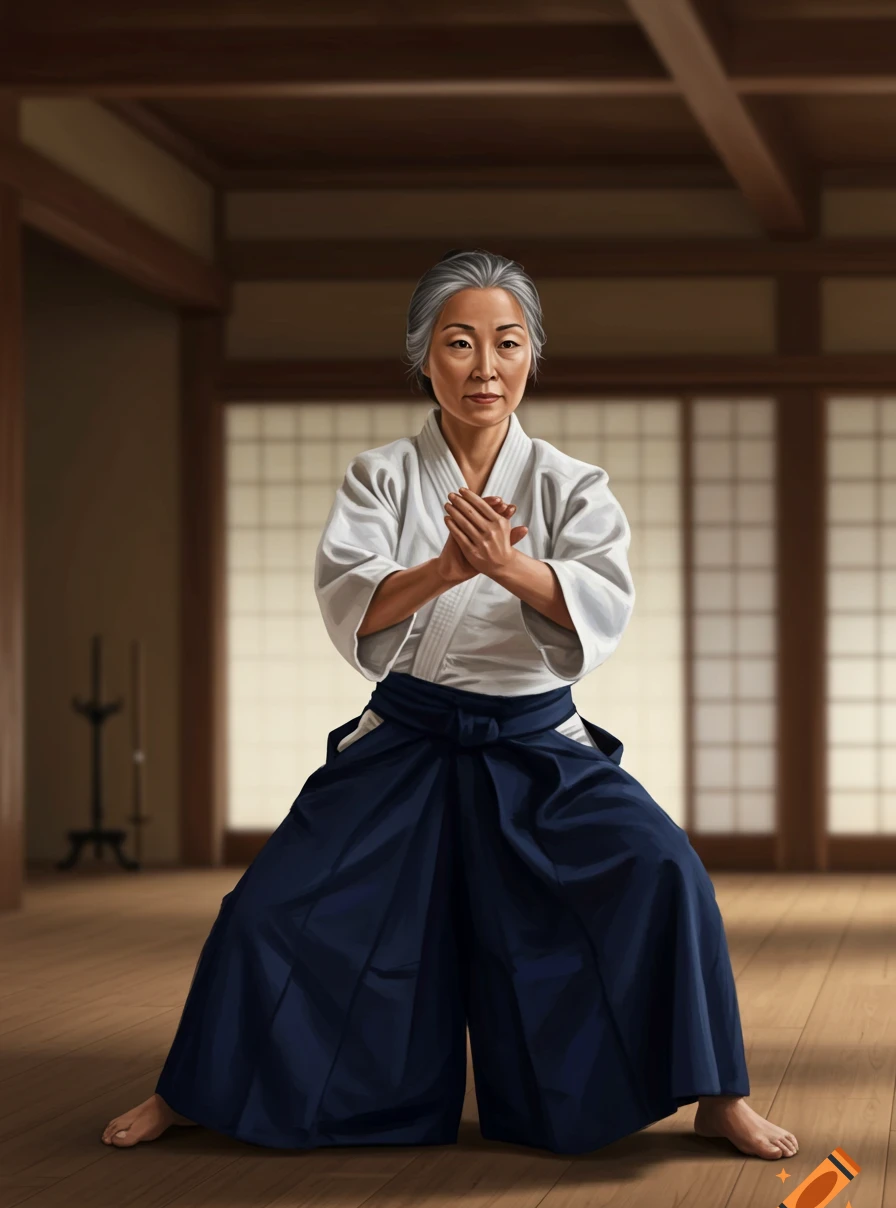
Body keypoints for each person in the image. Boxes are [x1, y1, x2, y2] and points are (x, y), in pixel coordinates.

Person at [102, 249, 798, 1161]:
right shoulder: (382, 478)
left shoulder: (571, 484)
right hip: (411, 734)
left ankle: (717, 1094)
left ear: (532, 358)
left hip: (537, 739)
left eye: (507, 344)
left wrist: (511, 567)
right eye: (459, 343)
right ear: (422, 357)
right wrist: (444, 570)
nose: (485, 366)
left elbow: (602, 605)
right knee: (268, 907)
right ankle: (193, 1086)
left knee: (666, 872)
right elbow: (354, 606)